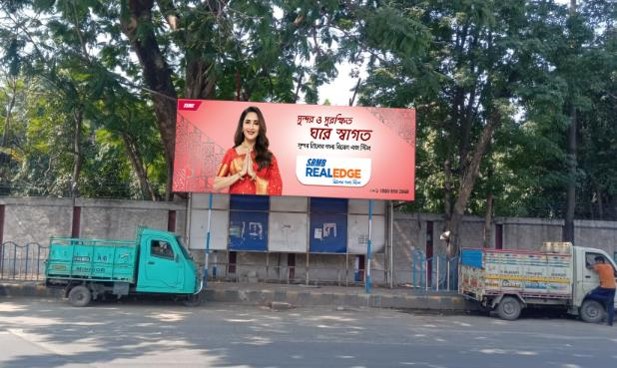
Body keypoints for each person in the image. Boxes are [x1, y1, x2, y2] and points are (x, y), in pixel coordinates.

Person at [213, 106, 282, 195]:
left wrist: (254, 176)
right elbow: (216, 184)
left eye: (256, 123)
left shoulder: (269, 157)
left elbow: (277, 189)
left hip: (260, 207)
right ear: (242, 127)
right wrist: (239, 174)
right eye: (248, 122)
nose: (251, 127)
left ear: (260, 128)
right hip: (236, 206)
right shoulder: (231, 153)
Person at [588, 256, 616, 326]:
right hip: (613, 287)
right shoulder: (609, 266)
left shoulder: (599, 266)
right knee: (610, 306)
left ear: (600, 261)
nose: (596, 263)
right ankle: (610, 323)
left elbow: (589, 267)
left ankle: (606, 299)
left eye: (597, 261)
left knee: (590, 294)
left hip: (604, 287)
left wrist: (591, 265)